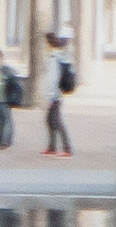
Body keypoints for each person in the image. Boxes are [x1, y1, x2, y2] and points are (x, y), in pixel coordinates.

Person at [41, 26, 74, 156]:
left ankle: (66, 148)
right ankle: (52, 147)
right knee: (51, 120)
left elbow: (53, 79)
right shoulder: (58, 56)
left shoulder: (54, 57)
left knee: (56, 121)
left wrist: (52, 96)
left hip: (55, 95)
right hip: (56, 94)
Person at [0, 49, 18, 149]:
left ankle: (6, 141)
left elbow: (14, 85)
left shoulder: (6, 70)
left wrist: (12, 98)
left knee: (6, 120)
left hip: (5, 99)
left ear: (0, 58)